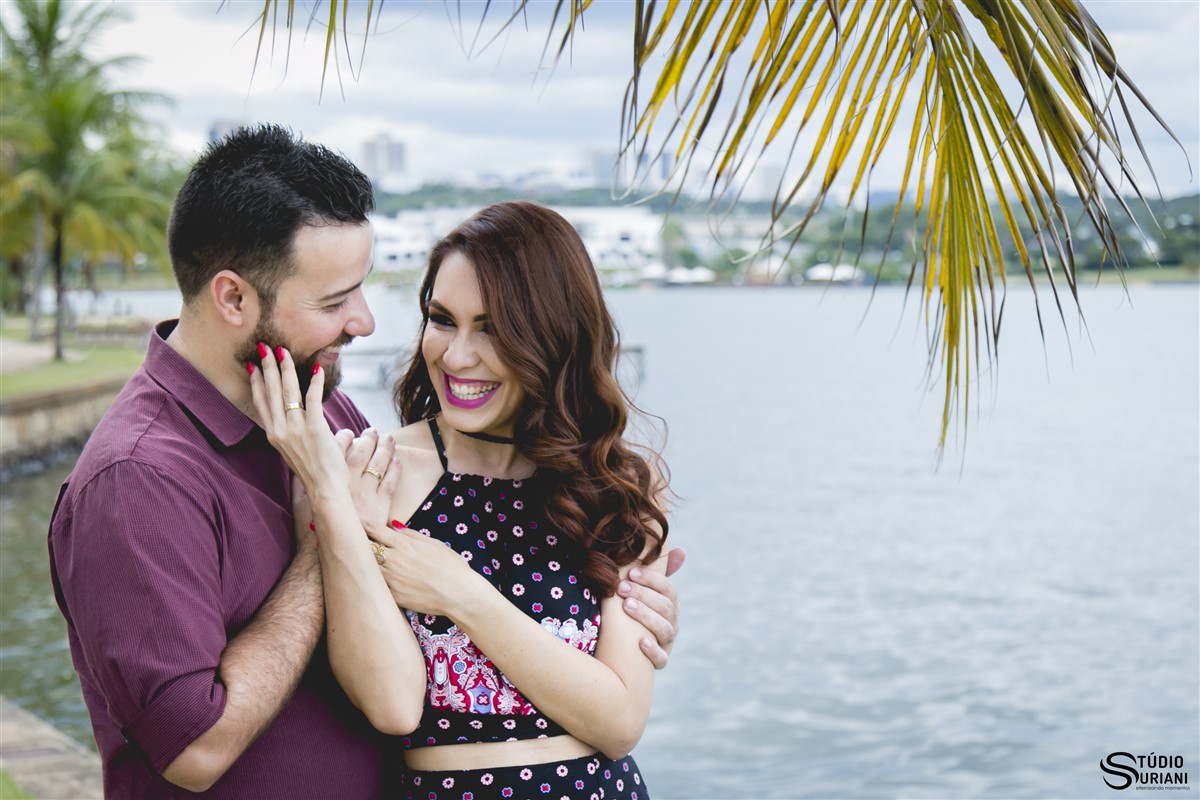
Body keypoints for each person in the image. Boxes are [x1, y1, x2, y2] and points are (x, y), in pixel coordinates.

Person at [48, 126, 682, 799]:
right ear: (234, 299)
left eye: (363, 288)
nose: (366, 323)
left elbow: (613, 709)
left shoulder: (329, 414)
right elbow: (196, 748)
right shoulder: (138, 477)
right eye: (334, 300)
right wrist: (331, 524)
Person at [252, 200, 673, 799]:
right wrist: (334, 507)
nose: (455, 356)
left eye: (494, 329)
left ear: (552, 338)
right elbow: (393, 703)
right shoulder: (373, 473)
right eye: (442, 319)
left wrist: (461, 592)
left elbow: (619, 721)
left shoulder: (618, 485)